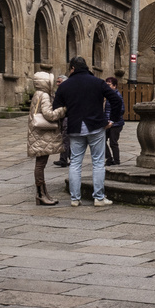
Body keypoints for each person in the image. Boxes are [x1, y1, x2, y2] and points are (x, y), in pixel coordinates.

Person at [53, 58, 120, 207]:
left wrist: (68, 112)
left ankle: (75, 198)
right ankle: (99, 197)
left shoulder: (65, 86)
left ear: (72, 68)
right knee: (97, 163)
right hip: (96, 125)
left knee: (75, 163)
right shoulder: (97, 82)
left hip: (75, 126)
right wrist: (112, 120)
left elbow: (56, 106)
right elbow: (116, 100)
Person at [25, 72, 64, 206]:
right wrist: (63, 110)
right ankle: (41, 194)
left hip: (38, 134)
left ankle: (43, 193)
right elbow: (50, 115)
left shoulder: (37, 94)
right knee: (40, 164)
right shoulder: (45, 95)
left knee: (40, 163)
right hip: (42, 135)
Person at [103, 77, 126, 166]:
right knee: (102, 140)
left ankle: (116, 160)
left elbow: (121, 110)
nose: (107, 87)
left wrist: (113, 120)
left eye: (109, 85)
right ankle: (109, 158)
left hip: (116, 123)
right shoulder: (109, 96)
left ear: (114, 86)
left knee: (113, 142)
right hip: (108, 122)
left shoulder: (117, 96)